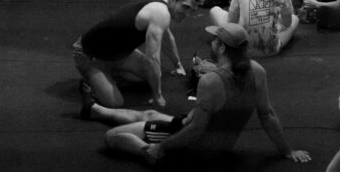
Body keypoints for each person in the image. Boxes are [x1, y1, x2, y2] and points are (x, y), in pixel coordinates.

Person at [84, 23, 311, 165]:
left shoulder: (211, 81)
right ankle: (96, 110)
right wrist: (287, 150)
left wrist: (160, 147)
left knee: (112, 137)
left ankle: (146, 150)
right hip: (218, 145)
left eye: (215, 40)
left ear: (221, 48)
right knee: (150, 115)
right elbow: (268, 114)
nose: (212, 43)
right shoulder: (257, 71)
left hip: (194, 150)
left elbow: (195, 130)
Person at [73, 0, 197, 108]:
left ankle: (111, 75)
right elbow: (152, 59)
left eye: (192, 10)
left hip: (119, 53)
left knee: (152, 77)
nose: (187, 14)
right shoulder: (160, 12)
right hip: (90, 54)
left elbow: (166, 38)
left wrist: (178, 65)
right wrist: (157, 96)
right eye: (185, 7)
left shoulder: (162, 5)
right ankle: (91, 80)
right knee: (115, 103)